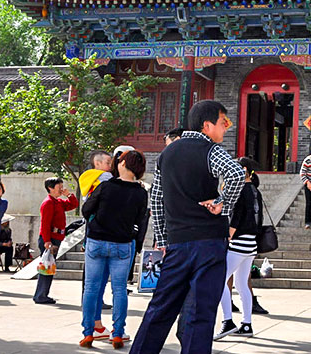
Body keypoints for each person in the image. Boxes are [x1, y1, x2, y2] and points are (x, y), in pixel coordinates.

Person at [131, 100, 245, 354]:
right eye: (223, 123)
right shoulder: (210, 150)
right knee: (200, 313)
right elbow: (237, 174)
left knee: (160, 308)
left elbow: (157, 199)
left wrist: (162, 238)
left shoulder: (166, 154)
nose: (225, 129)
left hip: (177, 244)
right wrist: (223, 203)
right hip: (209, 243)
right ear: (207, 125)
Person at [79, 150, 149, 349]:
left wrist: (97, 221)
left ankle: (88, 333)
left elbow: (86, 210)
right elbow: (139, 219)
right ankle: (117, 333)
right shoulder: (141, 192)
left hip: (97, 240)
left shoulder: (105, 186)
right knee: (119, 290)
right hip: (123, 243)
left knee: (91, 288)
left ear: (123, 163)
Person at [214, 157, 263, 340]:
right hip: (251, 244)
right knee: (242, 284)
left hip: (239, 242)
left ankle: (228, 321)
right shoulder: (255, 191)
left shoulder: (241, 190)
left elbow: (237, 217)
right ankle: (247, 324)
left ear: (243, 170)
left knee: (220, 279)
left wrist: (228, 236)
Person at [35, 177, 79, 304]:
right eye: (59, 187)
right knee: (46, 267)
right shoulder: (48, 203)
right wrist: (47, 241)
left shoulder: (58, 202)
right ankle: (40, 295)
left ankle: (43, 294)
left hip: (57, 238)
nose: (61, 189)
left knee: (49, 268)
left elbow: (73, 204)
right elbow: (45, 224)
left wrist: (69, 195)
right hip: (50, 239)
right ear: (50, 188)